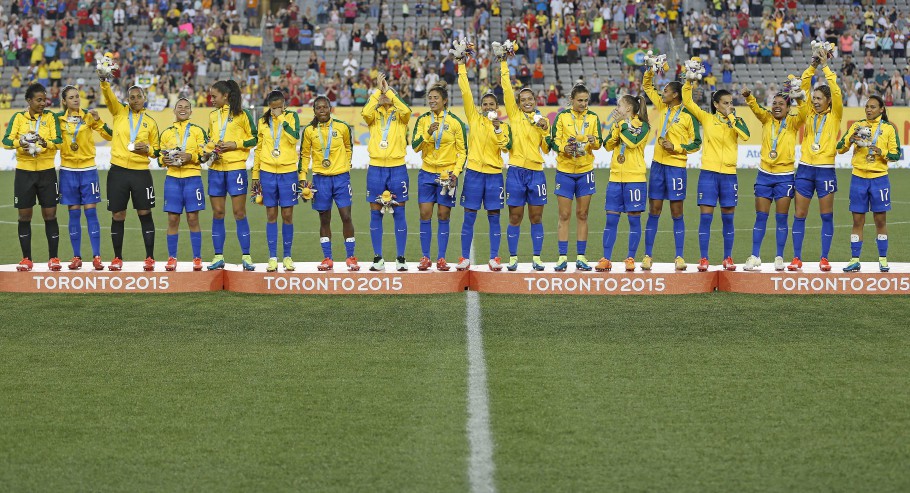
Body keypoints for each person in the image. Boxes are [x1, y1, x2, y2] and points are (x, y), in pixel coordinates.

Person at [682, 82, 750, 272]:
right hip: (708, 174)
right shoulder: (706, 118)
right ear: (716, 104)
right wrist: (688, 81)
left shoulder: (737, 121)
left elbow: (745, 136)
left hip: (729, 175)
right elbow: (687, 100)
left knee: (728, 219)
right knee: (706, 219)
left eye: (731, 102)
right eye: (726, 103)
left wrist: (732, 118)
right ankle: (704, 258)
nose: (730, 105)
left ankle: (727, 258)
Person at [453, 55, 511, 271]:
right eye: (485, 104)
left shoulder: (503, 126)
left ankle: (495, 258)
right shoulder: (474, 118)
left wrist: (497, 127)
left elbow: (504, 147)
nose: (487, 107)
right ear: (480, 107)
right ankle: (464, 258)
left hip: (495, 175)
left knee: (494, 217)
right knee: (469, 217)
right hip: (474, 174)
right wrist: (461, 65)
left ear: (497, 107)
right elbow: (465, 91)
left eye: (491, 104)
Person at [641, 66, 701, 271]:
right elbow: (646, 86)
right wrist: (650, 70)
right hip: (658, 165)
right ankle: (648, 256)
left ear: (675, 94)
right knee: (654, 211)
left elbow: (697, 143)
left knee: (677, 212)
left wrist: (675, 147)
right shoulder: (662, 106)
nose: (662, 93)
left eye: (666, 91)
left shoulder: (689, 116)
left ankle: (679, 257)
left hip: (676, 168)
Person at [100, 78, 161, 271]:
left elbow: (157, 151)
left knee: (145, 213)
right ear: (127, 99)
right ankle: (117, 258)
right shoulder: (119, 112)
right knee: (118, 215)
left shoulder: (150, 122)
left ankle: (150, 257)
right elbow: (109, 98)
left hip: (141, 173)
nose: (135, 100)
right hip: (118, 171)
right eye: (131, 97)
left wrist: (148, 149)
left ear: (144, 99)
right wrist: (104, 82)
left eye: (138, 97)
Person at [742, 87, 805, 271]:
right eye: (774, 103)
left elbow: (805, 110)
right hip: (764, 175)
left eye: (781, 104)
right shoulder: (766, 118)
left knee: (781, 218)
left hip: (784, 176)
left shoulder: (793, 122)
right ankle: (755, 256)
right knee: (760, 217)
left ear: (788, 108)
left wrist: (799, 97)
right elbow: (755, 108)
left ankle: (779, 257)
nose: (777, 107)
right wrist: (748, 96)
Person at [789, 55, 842, 272]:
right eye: (815, 98)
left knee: (826, 215)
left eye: (820, 98)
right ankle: (797, 258)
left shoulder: (836, 114)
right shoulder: (809, 112)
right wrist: (813, 65)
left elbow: (836, 89)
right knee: (799, 214)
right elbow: (803, 84)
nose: (816, 101)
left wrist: (826, 67)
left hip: (825, 170)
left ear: (829, 101)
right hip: (805, 169)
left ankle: (824, 258)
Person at [499, 51, 551, 271]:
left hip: (536, 172)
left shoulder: (542, 120)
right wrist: (503, 63)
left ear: (536, 101)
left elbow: (547, 149)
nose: (527, 102)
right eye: (523, 100)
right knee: (515, 216)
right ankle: (513, 258)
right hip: (516, 172)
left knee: (536, 217)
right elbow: (506, 89)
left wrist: (546, 130)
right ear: (518, 103)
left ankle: (537, 258)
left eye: (531, 99)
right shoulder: (515, 115)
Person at [836, 95, 900, 273]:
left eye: (873, 107)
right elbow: (840, 147)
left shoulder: (888, 128)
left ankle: (883, 259)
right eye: (867, 107)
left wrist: (881, 151)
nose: (869, 109)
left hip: (879, 179)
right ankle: (855, 259)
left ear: (881, 109)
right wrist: (850, 140)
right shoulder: (857, 126)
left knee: (880, 221)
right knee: (857, 221)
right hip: (858, 178)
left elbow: (896, 155)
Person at [2, 83, 63, 272]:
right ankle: (26, 259)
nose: (43, 103)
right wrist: (20, 142)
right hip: (24, 172)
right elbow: (5, 141)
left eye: (44, 99)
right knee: (24, 216)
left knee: (50, 215)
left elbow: (59, 141)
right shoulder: (18, 118)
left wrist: (45, 143)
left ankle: (53, 258)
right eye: (39, 100)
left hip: (47, 172)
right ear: (29, 101)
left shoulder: (51, 117)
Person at [410, 81, 468, 271]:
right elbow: (415, 146)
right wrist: (428, 134)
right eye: (430, 98)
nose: (432, 101)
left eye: (436, 98)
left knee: (443, 215)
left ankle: (441, 258)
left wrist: (456, 173)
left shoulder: (455, 122)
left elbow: (463, 152)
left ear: (445, 100)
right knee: (425, 214)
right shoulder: (423, 120)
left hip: (447, 175)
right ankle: (425, 257)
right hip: (427, 173)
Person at [56, 85, 112, 270]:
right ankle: (76, 257)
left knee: (91, 212)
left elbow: (109, 136)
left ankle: (96, 256)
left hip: (88, 170)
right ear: (64, 101)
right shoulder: (58, 120)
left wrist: (99, 120)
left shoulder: (88, 115)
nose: (76, 99)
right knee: (73, 213)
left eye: (77, 96)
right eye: (71, 97)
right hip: (68, 171)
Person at [547, 84, 602, 271]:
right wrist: (564, 148)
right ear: (572, 100)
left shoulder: (593, 117)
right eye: (580, 100)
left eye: (586, 100)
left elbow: (598, 142)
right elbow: (554, 141)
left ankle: (581, 256)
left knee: (583, 214)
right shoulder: (562, 117)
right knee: (564, 215)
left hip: (586, 170)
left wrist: (594, 142)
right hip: (565, 171)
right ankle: (562, 257)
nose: (584, 104)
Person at [301, 95, 359, 271]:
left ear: (330, 108)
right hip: (320, 179)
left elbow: (349, 147)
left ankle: (351, 257)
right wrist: (303, 179)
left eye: (325, 107)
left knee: (346, 216)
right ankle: (327, 258)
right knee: (324, 220)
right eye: (318, 108)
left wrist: (346, 165)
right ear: (314, 111)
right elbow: (304, 155)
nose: (322, 110)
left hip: (341, 178)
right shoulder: (309, 131)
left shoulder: (342, 127)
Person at [205, 80, 258, 271]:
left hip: (236, 169)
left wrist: (235, 144)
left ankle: (246, 256)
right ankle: (218, 256)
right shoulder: (212, 116)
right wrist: (208, 152)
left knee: (239, 213)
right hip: (216, 170)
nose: (211, 100)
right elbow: (210, 140)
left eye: (214, 96)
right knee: (218, 213)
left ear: (225, 96)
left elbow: (255, 137)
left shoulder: (242, 115)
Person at [362, 73, 412, 272]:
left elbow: (407, 109)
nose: (383, 95)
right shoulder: (373, 116)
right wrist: (377, 90)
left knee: (399, 212)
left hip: (397, 168)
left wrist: (389, 91)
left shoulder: (401, 116)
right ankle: (378, 258)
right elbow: (365, 113)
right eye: (381, 93)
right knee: (376, 214)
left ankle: (400, 258)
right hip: (375, 169)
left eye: (386, 94)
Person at [596, 95, 651, 272]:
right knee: (611, 220)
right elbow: (608, 145)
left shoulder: (643, 126)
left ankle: (630, 258)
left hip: (634, 179)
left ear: (628, 108)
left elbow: (632, 142)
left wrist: (622, 125)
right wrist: (616, 130)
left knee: (634, 221)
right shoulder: (618, 124)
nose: (616, 108)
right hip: (615, 178)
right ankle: (606, 259)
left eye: (619, 105)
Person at [251, 91, 303, 273]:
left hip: (288, 172)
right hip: (267, 172)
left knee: (287, 215)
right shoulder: (263, 121)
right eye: (273, 107)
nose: (276, 110)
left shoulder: (292, 117)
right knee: (271, 214)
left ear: (284, 104)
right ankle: (272, 257)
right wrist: (255, 175)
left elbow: (294, 137)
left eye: (279, 107)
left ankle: (287, 256)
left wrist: (281, 119)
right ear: (269, 106)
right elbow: (258, 149)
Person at [158, 97, 208, 272]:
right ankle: (172, 258)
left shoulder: (198, 131)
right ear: (174, 110)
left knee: (193, 218)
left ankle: (197, 258)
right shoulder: (166, 133)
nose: (183, 109)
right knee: (172, 219)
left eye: (186, 107)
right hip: (172, 179)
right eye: (180, 107)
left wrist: (191, 157)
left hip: (193, 178)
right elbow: (159, 157)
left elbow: (204, 155)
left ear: (191, 111)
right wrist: (163, 160)